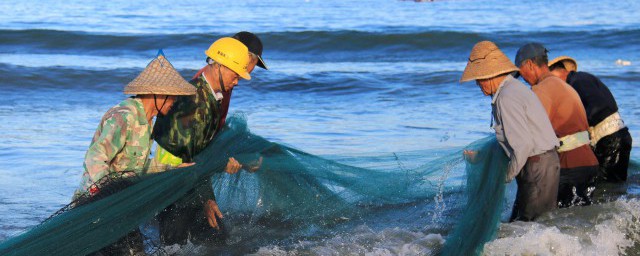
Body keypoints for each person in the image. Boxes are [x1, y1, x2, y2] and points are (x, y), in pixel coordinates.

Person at [73, 52, 196, 255]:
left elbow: (138, 167)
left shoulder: (147, 122)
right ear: (157, 94)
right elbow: (95, 157)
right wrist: (105, 195)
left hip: (121, 206)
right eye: (173, 95)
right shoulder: (124, 117)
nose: (175, 101)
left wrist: (172, 169)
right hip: (96, 207)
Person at [151, 35, 266, 245]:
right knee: (175, 245)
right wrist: (207, 199)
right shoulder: (193, 100)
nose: (237, 81)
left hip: (189, 181)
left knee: (208, 242)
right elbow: (189, 156)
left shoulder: (212, 96)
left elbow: (204, 146)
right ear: (219, 66)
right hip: (173, 183)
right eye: (235, 74)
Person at [460, 41, 560, 221]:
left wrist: (504, 177)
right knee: (526, 225)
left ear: (489, 75)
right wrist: (481, 157)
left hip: (537, 166)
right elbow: (512, 141)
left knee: (529, 227)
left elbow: (523, 145)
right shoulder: (512, 89)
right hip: (541, 164)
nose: (477, 85)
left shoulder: (506, 97)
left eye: (478, 79)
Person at [515, 43, 600, 207]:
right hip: (589, 162)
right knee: (580, 222)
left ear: (530, 65)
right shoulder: (564, 86)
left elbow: (531, 132)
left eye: (521, 73)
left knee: (558, 222)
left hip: (571, 165)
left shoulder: (541, 90)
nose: (523, 79)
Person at [548, 56, 632, 182]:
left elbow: (596, 108)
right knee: (614, 185)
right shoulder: (583, 78)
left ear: (559, 73)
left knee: (605, 187)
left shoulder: (577, 82)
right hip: (618, 136)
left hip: (610, 140)